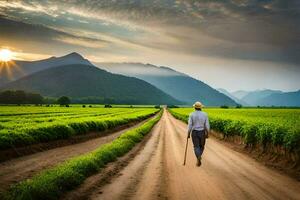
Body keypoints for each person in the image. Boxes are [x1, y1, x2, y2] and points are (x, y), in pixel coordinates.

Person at [187, 101, 210, 167]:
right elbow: (207, 125)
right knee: (202, 146)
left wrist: (188, 133)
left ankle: (198, 156)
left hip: (194, 132)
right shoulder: (205, 114)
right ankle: (199, 156)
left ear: (194, 107)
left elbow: (190, 125)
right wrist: (207, 133)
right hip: (202, 132)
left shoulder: (191, 114)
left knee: (196, 146)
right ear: (201, 107)